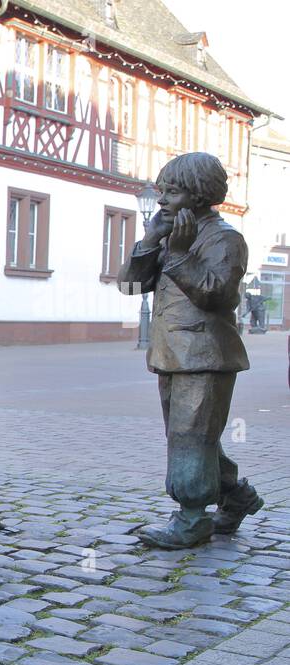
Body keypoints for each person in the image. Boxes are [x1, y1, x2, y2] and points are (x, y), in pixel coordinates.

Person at [117, 152, 263, 549]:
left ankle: (192, 519)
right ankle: (236, 496)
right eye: (162, 191)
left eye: (173, 192)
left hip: (206, 356)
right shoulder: (171, 237)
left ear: (199, 196)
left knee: (190, 437)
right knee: (195, 437)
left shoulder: (225, 239)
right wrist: (150, 240)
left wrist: (179, 255)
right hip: (172, 354)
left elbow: (217, 295)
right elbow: (129, 287)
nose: (163, 200)